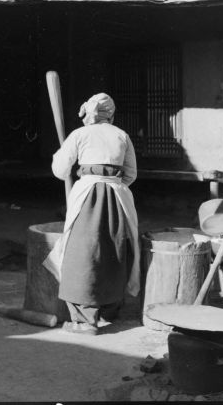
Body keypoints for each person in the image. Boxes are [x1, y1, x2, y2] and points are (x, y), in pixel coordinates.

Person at [43, 93, 140, 336]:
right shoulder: (121, 135)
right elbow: (130, 174)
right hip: (118, 197)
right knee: (114, 248)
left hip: (87, 195)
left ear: (88, 113)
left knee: (82, 252)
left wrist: (67, 159)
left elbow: (59, 169)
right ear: (111, 114)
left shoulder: (80, 134)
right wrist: (111, 182)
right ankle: (109, 310)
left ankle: (85, 320)